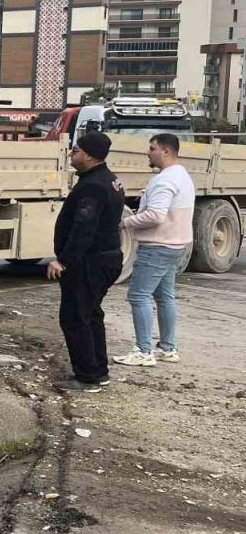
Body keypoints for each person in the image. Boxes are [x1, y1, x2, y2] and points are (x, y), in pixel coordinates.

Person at [48, 131, 126, 393]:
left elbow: (84, 228)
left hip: (90, 263)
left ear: (90, 156)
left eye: (76, 150)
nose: (72, 153)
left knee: (75, 316)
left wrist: (63, 261)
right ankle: (98, 371)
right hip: (106, 259)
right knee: (91, 314)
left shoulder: (92, 185)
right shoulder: (110, 179)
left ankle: (88, 377)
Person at [113, 133, 195, 367]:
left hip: (157, 245)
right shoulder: (182, 176)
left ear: (166, 151)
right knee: (164, 297)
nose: (147, 153)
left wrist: (125, 222)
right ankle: (167, 348)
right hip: (175, 244)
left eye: (152, 148)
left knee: (138, 296)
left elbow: (156, 215)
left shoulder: (164, 180)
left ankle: (143, 350)